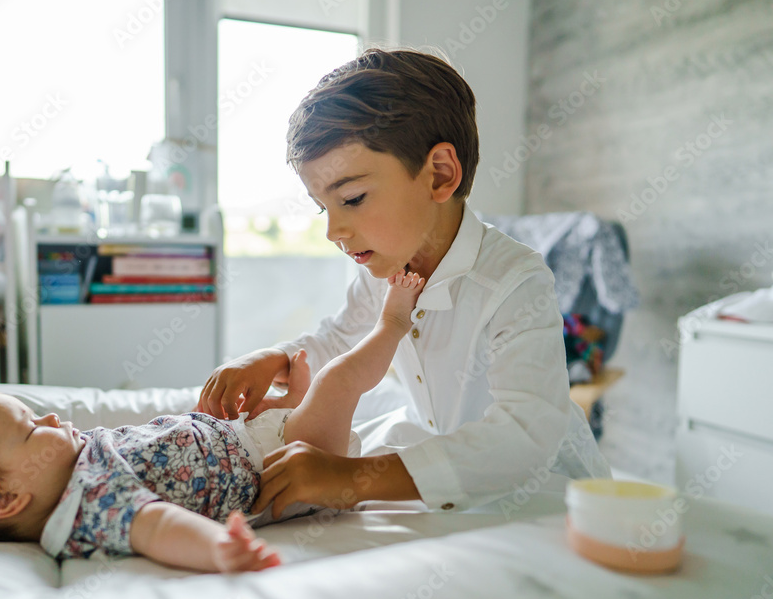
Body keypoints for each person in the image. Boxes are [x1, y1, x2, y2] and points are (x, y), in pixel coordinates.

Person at [196, 47, 612, 519]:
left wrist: (347, 479)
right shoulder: (383, 267)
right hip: (432, 440)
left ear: (439, 175)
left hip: (534, 484)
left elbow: (524, 436)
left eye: (351, 198)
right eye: (322, 207)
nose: (333, 231)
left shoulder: (516, 282)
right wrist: (274, 358)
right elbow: (338, 336)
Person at [0, 272, 424, 573]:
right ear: (4, 500)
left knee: (302, 384)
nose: (55, 418)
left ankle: (297, 401)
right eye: (33, 427)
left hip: (249, 441)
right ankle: (394, 323)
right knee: (338, 381)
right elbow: (159, 526)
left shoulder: (61, 468)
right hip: (288, 472)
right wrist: (221, 550)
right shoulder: (88, 503)